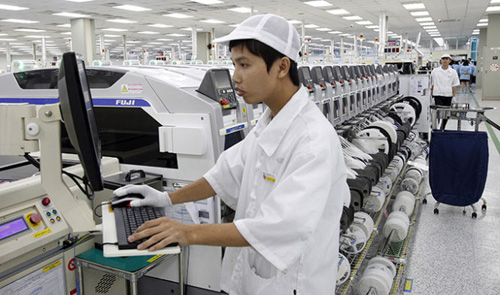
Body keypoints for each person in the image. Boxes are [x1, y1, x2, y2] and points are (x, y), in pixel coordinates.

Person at [113, 13, 349, 295]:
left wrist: (188, 232)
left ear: (282, 66)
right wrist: (166, 198)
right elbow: (224, 174)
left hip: (293, 284)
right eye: (234, 64)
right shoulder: (271, 121)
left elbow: (276, 227)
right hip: (256, 278)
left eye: (244, 65)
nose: (235, 77)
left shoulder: (312, 141)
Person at [431, 53, 460, 129]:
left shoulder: (453, 72)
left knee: (446, 113)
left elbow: (454, 85)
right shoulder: (435, 71)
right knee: (437, 113)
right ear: (441, 60)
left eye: (446, 59)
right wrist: (431, 95)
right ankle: (435, 127)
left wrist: (454, 96)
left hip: (448, 95)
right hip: (438, 95)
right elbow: (432, 83)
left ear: (449, 61)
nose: (445, 60)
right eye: (443, 59)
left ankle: (442, 127)